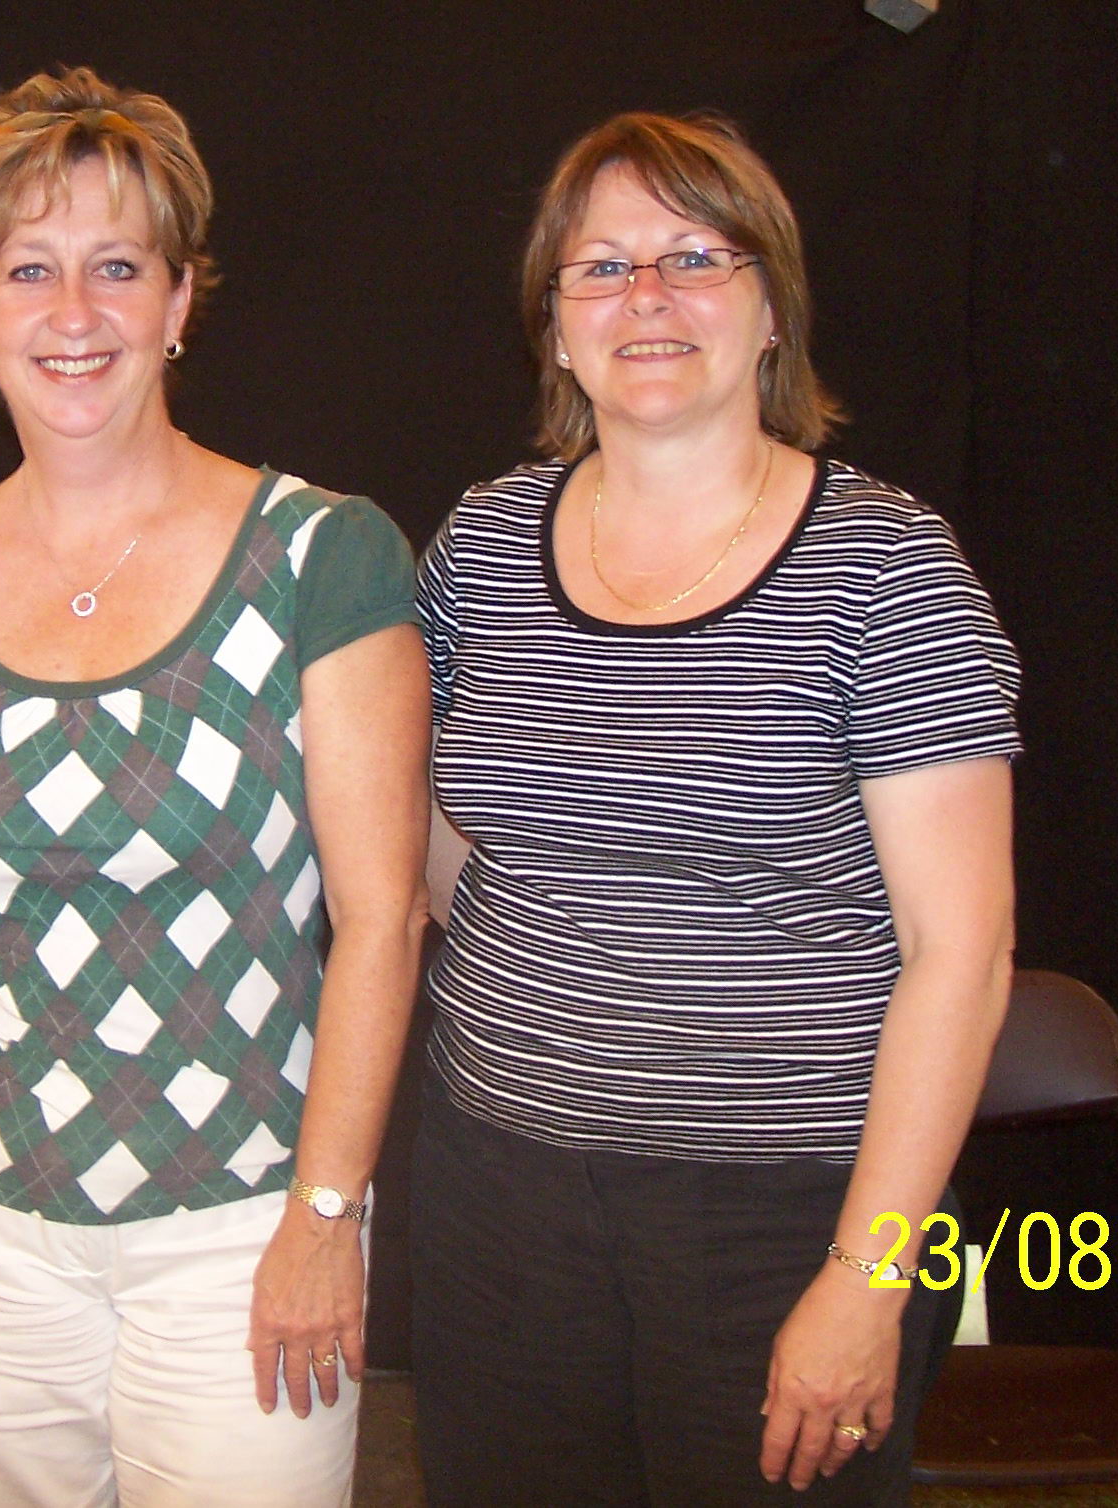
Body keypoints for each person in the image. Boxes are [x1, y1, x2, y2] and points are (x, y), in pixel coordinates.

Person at [408, 111, 1019, 1505]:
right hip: (502, 1198)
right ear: (556, 330)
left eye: (695, 256)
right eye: (601, 267)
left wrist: (868, 1277)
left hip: (789, 1217)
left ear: (770, 310)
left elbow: (964, 957)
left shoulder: (888, 571)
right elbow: (442, 851)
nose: (648, 297)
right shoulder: (481, 549)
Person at [0, 67, 431, 1508]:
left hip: (247, 1222)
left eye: (117, 266)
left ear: (178, 303)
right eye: (27, 270)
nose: (74, 311)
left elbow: (383, 919)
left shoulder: (322, 559)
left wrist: (326, 1212)